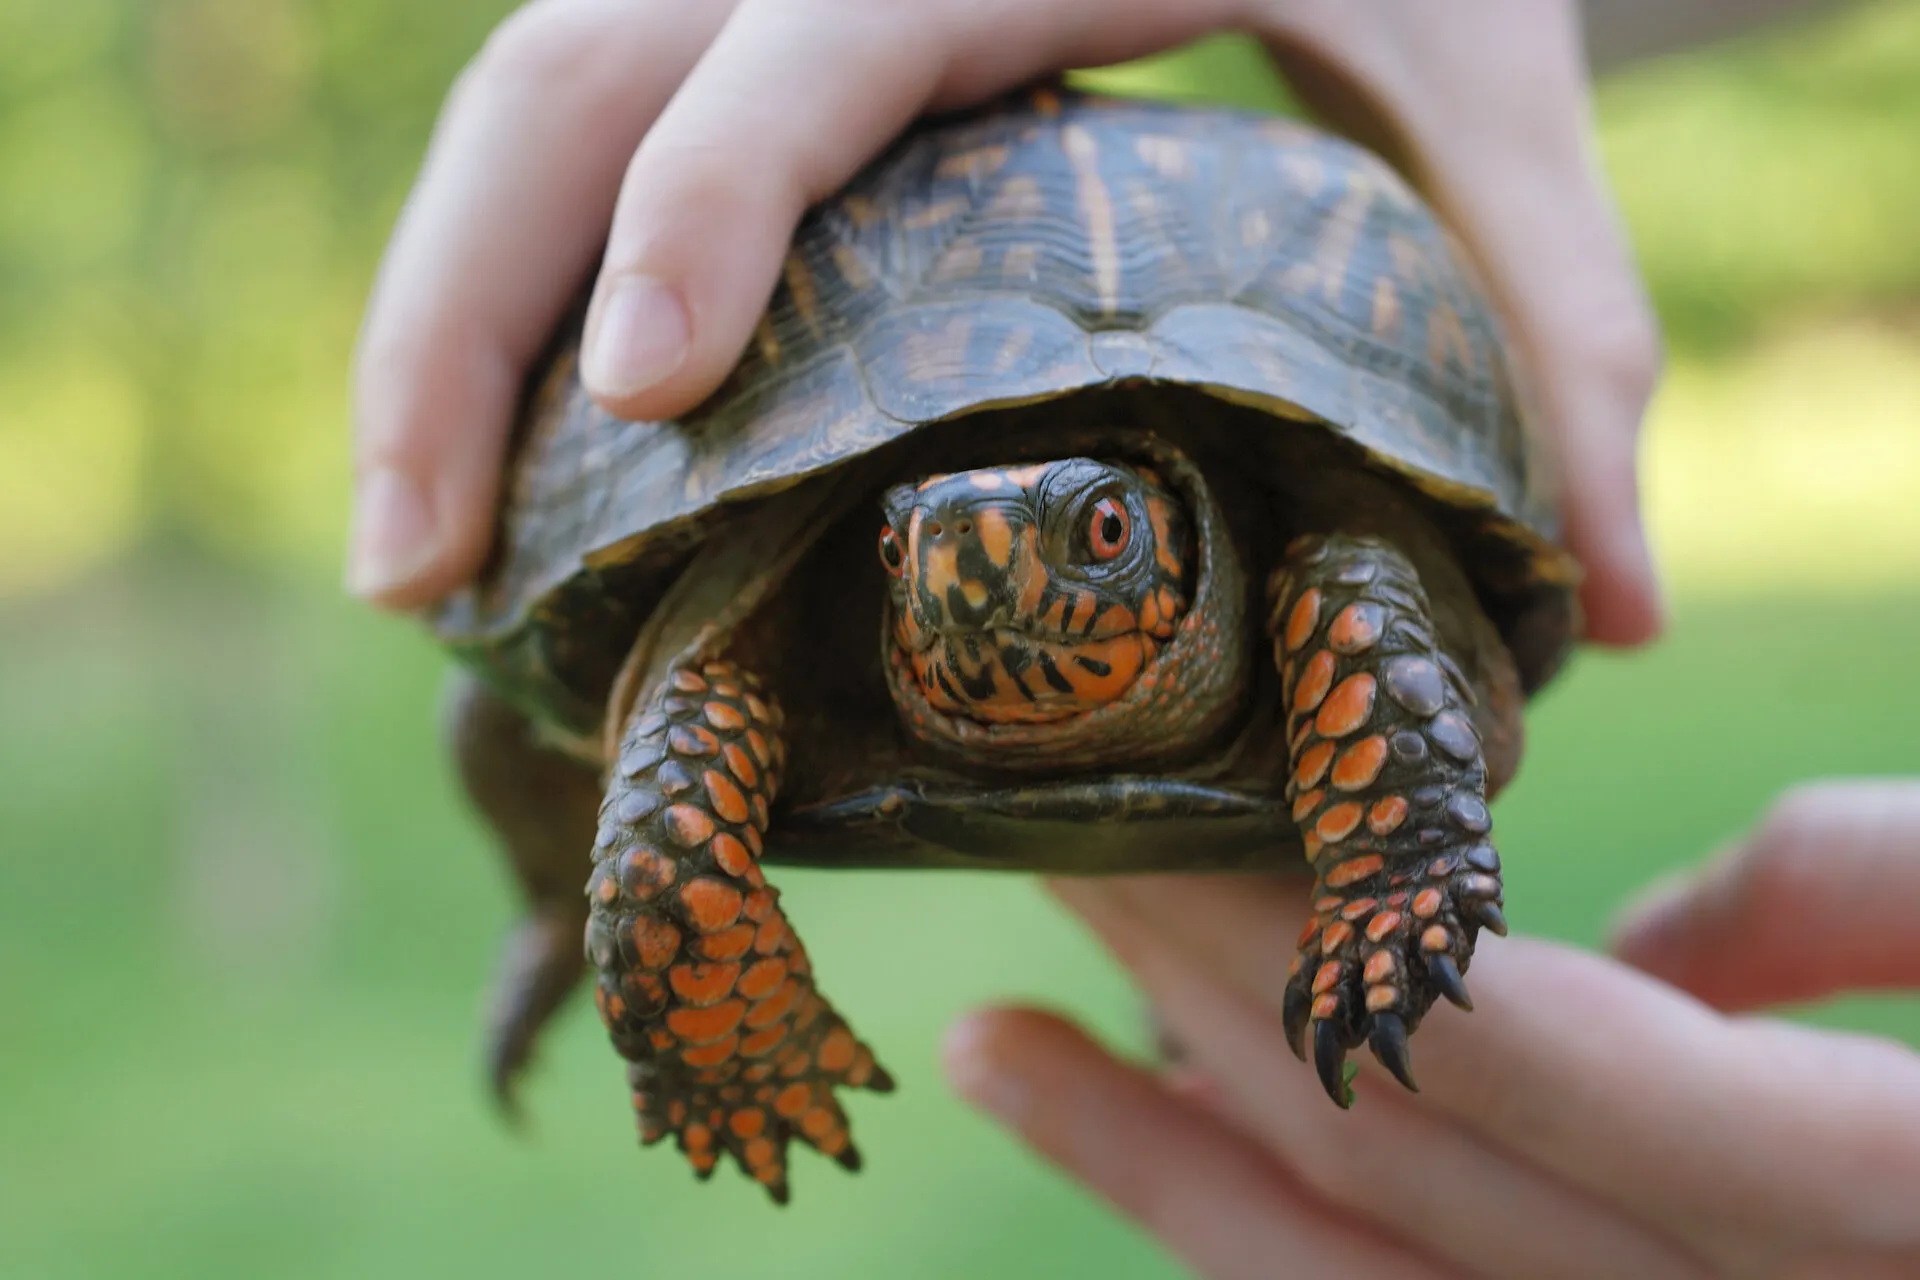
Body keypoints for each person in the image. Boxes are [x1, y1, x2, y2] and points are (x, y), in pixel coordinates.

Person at [350, 2, 1916, 1275]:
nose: (991, 577)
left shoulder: (1319, 576)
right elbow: (661, 771)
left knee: (1353, 591)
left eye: (1094, 536)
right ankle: (563, 911)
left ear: (1178, 535)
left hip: (1292, 623)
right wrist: (704, 1017)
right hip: (766, 538)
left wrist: (1398, 865)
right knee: (561, 750)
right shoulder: (763, 656)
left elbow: (1355, 589)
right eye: (925, 548)